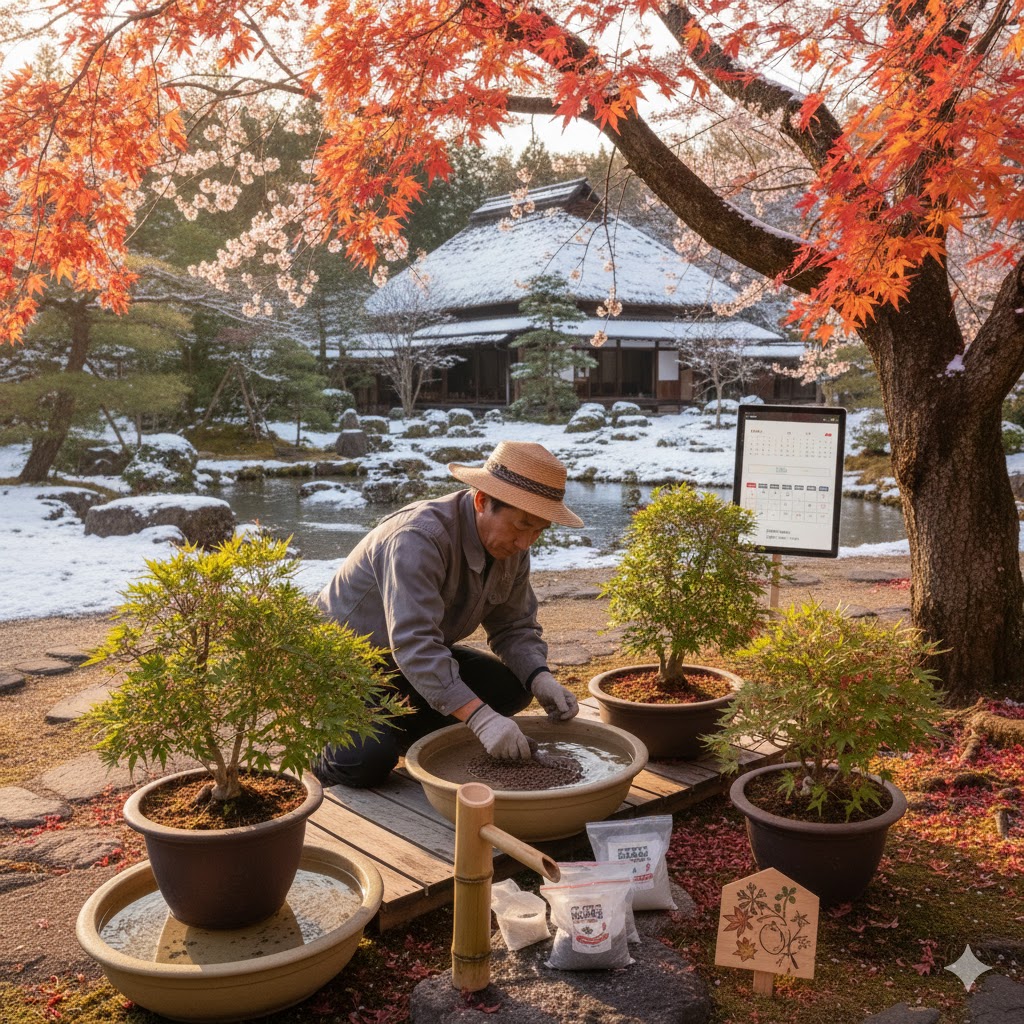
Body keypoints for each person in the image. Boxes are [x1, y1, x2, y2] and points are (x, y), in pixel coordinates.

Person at [312, 440, 583, 788]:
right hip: (343, 674)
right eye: (521, 525)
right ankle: (329, 745)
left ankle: (400, 730)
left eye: (538, 531)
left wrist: (541, 677)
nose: (526, 543)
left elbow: (513, 626)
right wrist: (481, 719)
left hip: (406, 666)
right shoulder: (418, 537)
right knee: (366, 760)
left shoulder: (512, 545)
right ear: (482, 501)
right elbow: (416, 645)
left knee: (515, 687)